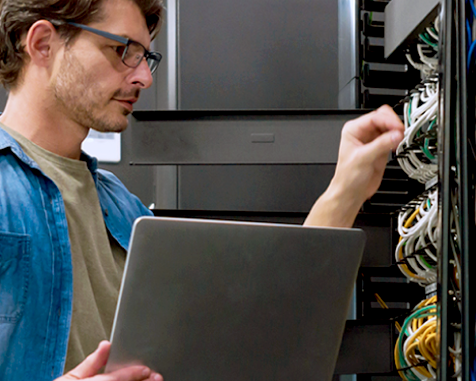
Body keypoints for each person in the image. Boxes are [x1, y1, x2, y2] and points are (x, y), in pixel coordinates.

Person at [0, 0, 404, 380]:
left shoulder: (125, 211)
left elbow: (256, 341)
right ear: (42, 44)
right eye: (122, 49)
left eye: (145, 56)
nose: (144, 76)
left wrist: (345, 190)